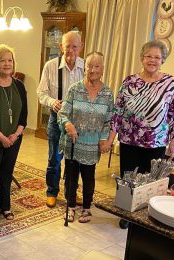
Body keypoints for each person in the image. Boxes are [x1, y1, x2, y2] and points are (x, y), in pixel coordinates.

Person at [107, 40, 174, 228]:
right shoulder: (130, 81)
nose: (152, 60)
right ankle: (126, 214)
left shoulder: (170, 83)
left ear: (163, 59)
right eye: (149, 56)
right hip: (129, 139)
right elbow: (118, 110)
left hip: (156, 142)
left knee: (150, 181)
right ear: (142, 58)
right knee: (127, 177)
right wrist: (111, 137)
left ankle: (147, 215)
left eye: (157, 57)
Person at [58, 52, 114, 223]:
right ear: (84, 68)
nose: (93, 70)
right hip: (73, 143)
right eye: (89, 66)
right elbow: (63, 113)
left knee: (89, 179)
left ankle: (87, 208)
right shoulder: (74, 89)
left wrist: (105, 139)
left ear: (103, 69)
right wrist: (67, 124)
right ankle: (71, 206)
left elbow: (109, 120)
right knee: (71, 179)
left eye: (97, 66)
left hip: (92, 146)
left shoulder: (107, 94)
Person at [37, 31, 84, 208]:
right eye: (67, 46)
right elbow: (41, 92)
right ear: (61, 47)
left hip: (77, 122)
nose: (70, 50)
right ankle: (51, 192)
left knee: (74, 160)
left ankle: (70, 193)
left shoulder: (86, 67)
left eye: (74, 46)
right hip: (56, 120)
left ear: (80, 47)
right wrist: (52, 102)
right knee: (54, 159)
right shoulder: (50, 66)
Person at [0, 44, 28, 224]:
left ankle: (5, 205)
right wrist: (1, 137)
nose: (7, 64)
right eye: (3, 60)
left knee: (7, 173)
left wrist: (16, 135)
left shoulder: (19, 85)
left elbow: (24, 115)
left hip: (14, 138)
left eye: (10, 60)